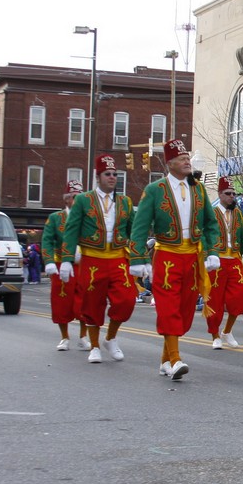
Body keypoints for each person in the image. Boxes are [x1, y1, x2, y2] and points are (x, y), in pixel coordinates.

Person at [129, 138, 221, 380]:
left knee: (185, 309)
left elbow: (211, 224)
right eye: (182, 159)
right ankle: (176, 359)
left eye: (187, 158)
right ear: (170, 163)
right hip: (167, 256)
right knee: (168, 307)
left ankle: (164, 360)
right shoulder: (154, 190)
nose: (187, 161)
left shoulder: (198, 189)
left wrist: (212, 251)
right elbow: (140, 227)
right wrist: (137, 258)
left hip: (192, 257)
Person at [59, 154, 139, 365]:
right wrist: (67, 259)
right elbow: (71, 230)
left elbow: (135, 231)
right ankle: (94, 346)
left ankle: (110, 337)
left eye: (115, 174)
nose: (112, 177)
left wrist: (141, 258)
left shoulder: (125, 202)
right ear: (98, 176)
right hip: (92, 259)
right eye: (107, 174)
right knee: (92, 304)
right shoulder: (84, 200)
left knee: (127, 300)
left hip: (118, 258)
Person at [41, 179, 91, 352]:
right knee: (61, 301)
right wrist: (48, 262)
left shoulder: (89, 218)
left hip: (83, 265)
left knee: (85, 300)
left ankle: (84, 336)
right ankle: (64, 337)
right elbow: (46, 241)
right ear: (67, 199)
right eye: (74, 197)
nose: (77, 200)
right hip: (62, 264)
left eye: (80, 197)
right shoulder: (56, 218)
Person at [204, 176, 243, 350]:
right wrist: (206, 257)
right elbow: (204, 236)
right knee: (214, 300)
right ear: (220, 194)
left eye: (234, 193)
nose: (232, 196)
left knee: (240, 296)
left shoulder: (238, 213)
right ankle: (215, 335)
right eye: (228, 193)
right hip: (216, 261)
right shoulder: (210, 212)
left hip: (234, 261)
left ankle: (227, 330)